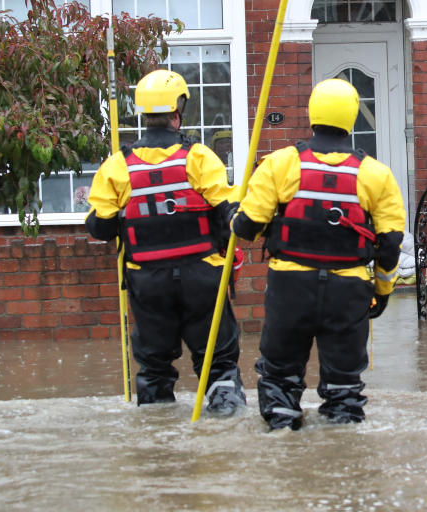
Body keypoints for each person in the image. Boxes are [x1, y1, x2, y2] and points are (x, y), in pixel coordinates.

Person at [231, 78, 405, 431]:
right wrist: (382, 291)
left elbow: (246, 228)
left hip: (289, 289)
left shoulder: (278, 164)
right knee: (344, 390)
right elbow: (389, 246)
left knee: (279, 379)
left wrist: (234, 211)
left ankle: (284, 436)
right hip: (348, 292)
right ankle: (339, 453)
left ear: (312, 114)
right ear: (352, 118)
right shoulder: (376, 174)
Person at [85, 69, 246, 416]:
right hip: (202, 277)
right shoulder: (199, 158)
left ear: (144, 114)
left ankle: (156, 438)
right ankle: (227, 425)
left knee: (154, 370)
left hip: (147, 283)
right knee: (218, 362)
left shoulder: (117, 166)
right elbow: (228, 211)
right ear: (178, 112)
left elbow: (100, 227)